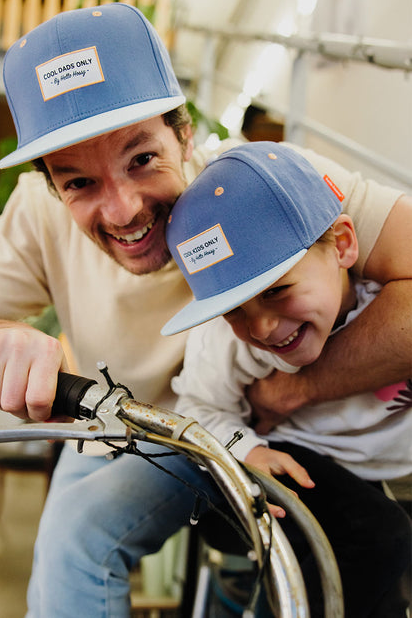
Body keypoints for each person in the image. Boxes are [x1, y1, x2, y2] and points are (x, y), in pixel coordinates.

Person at [0, 3, 412, 617]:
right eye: (78, 182)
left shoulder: (259, 186)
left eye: (142, 158)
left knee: (84, 541)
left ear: (185, 133)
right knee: (64, 558)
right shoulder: (36, 214)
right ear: (49, 185)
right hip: (115, 423)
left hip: (239, 429)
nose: (123, 210)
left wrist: (297, 390)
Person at [161, 141, 412, 616]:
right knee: (379, 540)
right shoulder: (226, 342)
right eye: (235, 310)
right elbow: (196, 408)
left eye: (277, 291)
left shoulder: (388, 299)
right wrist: (249, 450)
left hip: (388, 471)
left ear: (342, 245)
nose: (261, 328)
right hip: (300, 461)